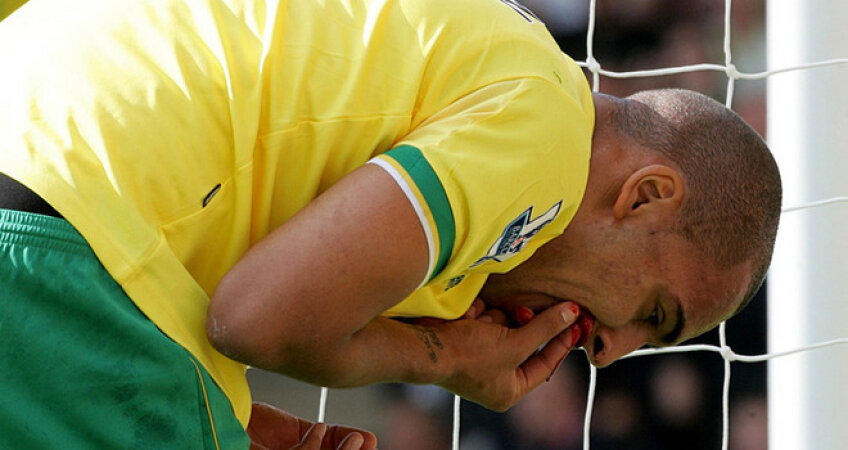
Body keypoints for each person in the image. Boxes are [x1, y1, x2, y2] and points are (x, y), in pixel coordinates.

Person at [0, 0, 781, 448]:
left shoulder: (489, 59)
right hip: (71, 241)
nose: (613, 352)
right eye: (654, 313)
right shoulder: (547, 139)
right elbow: (254, 319)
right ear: (645, 195)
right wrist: (442, 363)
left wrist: (244, 427)